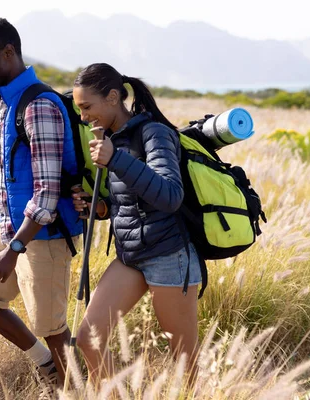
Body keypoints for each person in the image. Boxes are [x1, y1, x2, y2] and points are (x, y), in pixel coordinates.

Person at [0, 18, 82, 387]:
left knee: (51, 327)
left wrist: (14, 249)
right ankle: (46, 365)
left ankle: (74, 392)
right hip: (13, 229)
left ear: (8, 52)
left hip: (42, 236)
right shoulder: (4, 101)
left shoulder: (38, 106)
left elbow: (47, 192)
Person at [71, 63, 203, 384]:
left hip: (170, 257)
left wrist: (115, 158)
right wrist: (98, 208)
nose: (84, 116)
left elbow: (170, 195)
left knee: (185, 364)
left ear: (113, 97)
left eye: (87, 107)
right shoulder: (114, 139)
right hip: (131, 257)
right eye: (79, 110)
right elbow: (129, 201)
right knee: (89, 339)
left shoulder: (154, 133)